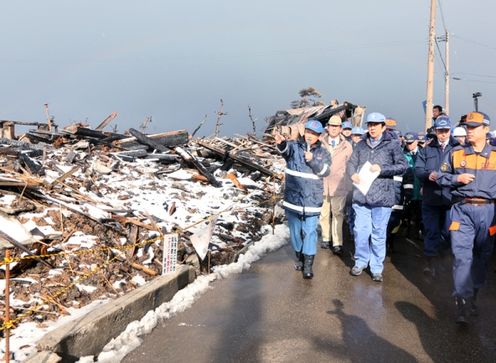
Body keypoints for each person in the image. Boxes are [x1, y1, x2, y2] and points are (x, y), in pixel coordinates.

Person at [436, 112, 496, 324]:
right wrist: (456, 178)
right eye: (467, 126)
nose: (469, 130)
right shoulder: (456, 153)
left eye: (474, 127)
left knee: (481, 256)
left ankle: (474, 296)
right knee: (462, 257)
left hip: (489, 213)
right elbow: (440, 177)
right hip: (461, 210)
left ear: (485, 129)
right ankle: (462, 300)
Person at [347, 112, 407, 282]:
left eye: (375, 124)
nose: (372, 127)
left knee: (378, 233)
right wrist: (352, 174)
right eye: (370, 124)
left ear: (383, 127)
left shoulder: (392, 145)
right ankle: (360, 261)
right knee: (360, 231)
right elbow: (351, 163)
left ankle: (376, 267)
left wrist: (382, 169)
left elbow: (403, 166)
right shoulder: (361, 145)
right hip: (362, 195)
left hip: (382, 197)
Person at [274, 119, 331, 279]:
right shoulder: (294, 146)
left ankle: (308, 265)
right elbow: (285, 150)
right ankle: (299, 255)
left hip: (312, 201)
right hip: (293, 199)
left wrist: (312, 160)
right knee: (295, 232)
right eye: (308, 132)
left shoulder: (323, 153)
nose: (309, 136)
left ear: (319, 136)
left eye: (313, 134)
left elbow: (326, 171)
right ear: (304, 132)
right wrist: (280, 143)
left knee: (310, 232)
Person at [415, 115, 459, 275]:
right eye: (440, 130)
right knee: (431, 230)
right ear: (435, 131)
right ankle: (430, 263)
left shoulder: (458, 149)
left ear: (450, 131)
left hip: (450, 199)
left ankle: (444, 260)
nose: (443, 134)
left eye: (446, 130)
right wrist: (428, 175)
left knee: (448, 232)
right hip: (431, 197)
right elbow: (418, 169)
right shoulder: (426, 149)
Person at [320, 115, 353, 254]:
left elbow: (351, 165)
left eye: (336, 126)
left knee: (338, 214)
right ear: (327, 127)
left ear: (341, 129)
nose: (333, 129)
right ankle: (326, 238)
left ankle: (337, 242)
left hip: (339, 184)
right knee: (324, 214)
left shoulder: (347, 145)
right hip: (322, 184)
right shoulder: (320, 143)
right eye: (331, 126)